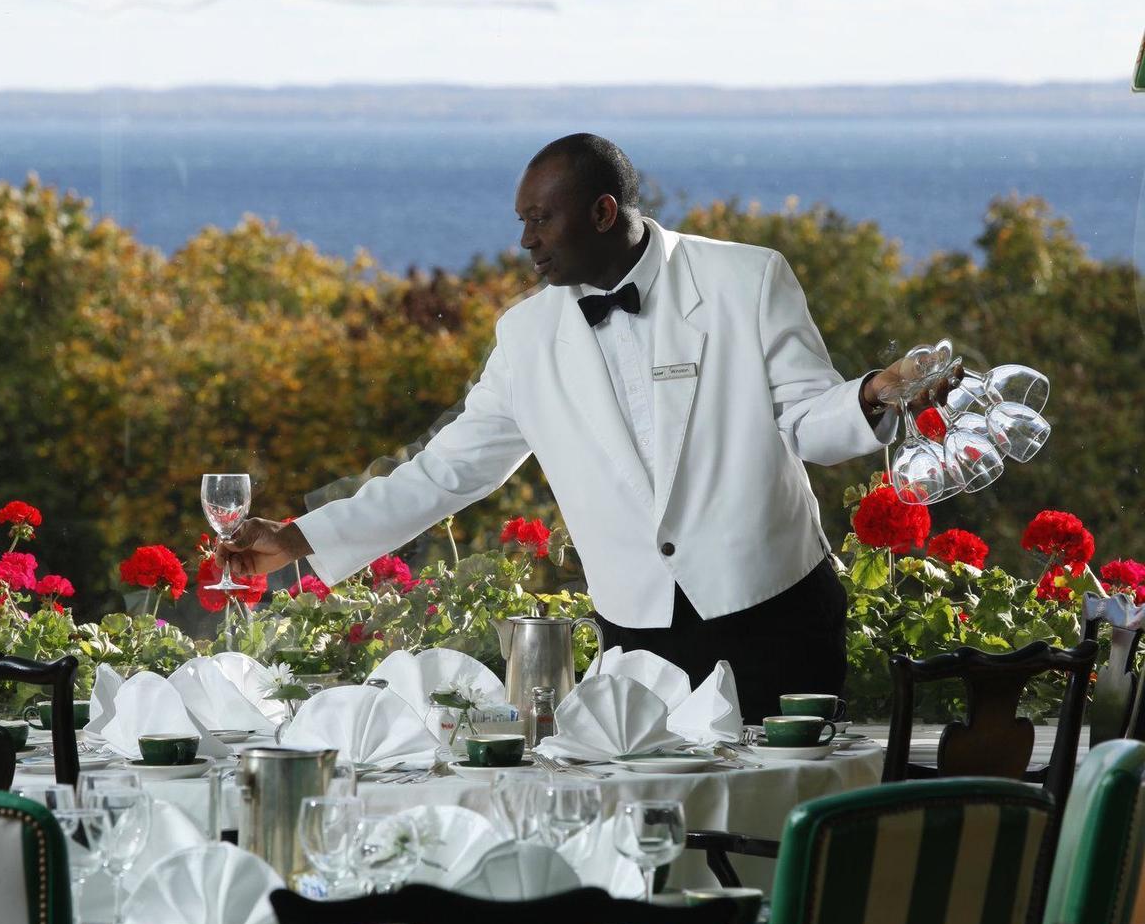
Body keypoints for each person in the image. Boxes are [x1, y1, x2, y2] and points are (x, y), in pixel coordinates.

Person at [218, 134, 942, 722]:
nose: (526, 241)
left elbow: (810, 425)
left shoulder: (746, 281)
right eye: (522, 222)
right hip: (638, 633)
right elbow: (447, 472)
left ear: (602, 213)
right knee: (660, 833)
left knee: (780, 818)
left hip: (776, 613)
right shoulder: (527, 336)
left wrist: (875, 393)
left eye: (541, 219)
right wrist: (295, 539)